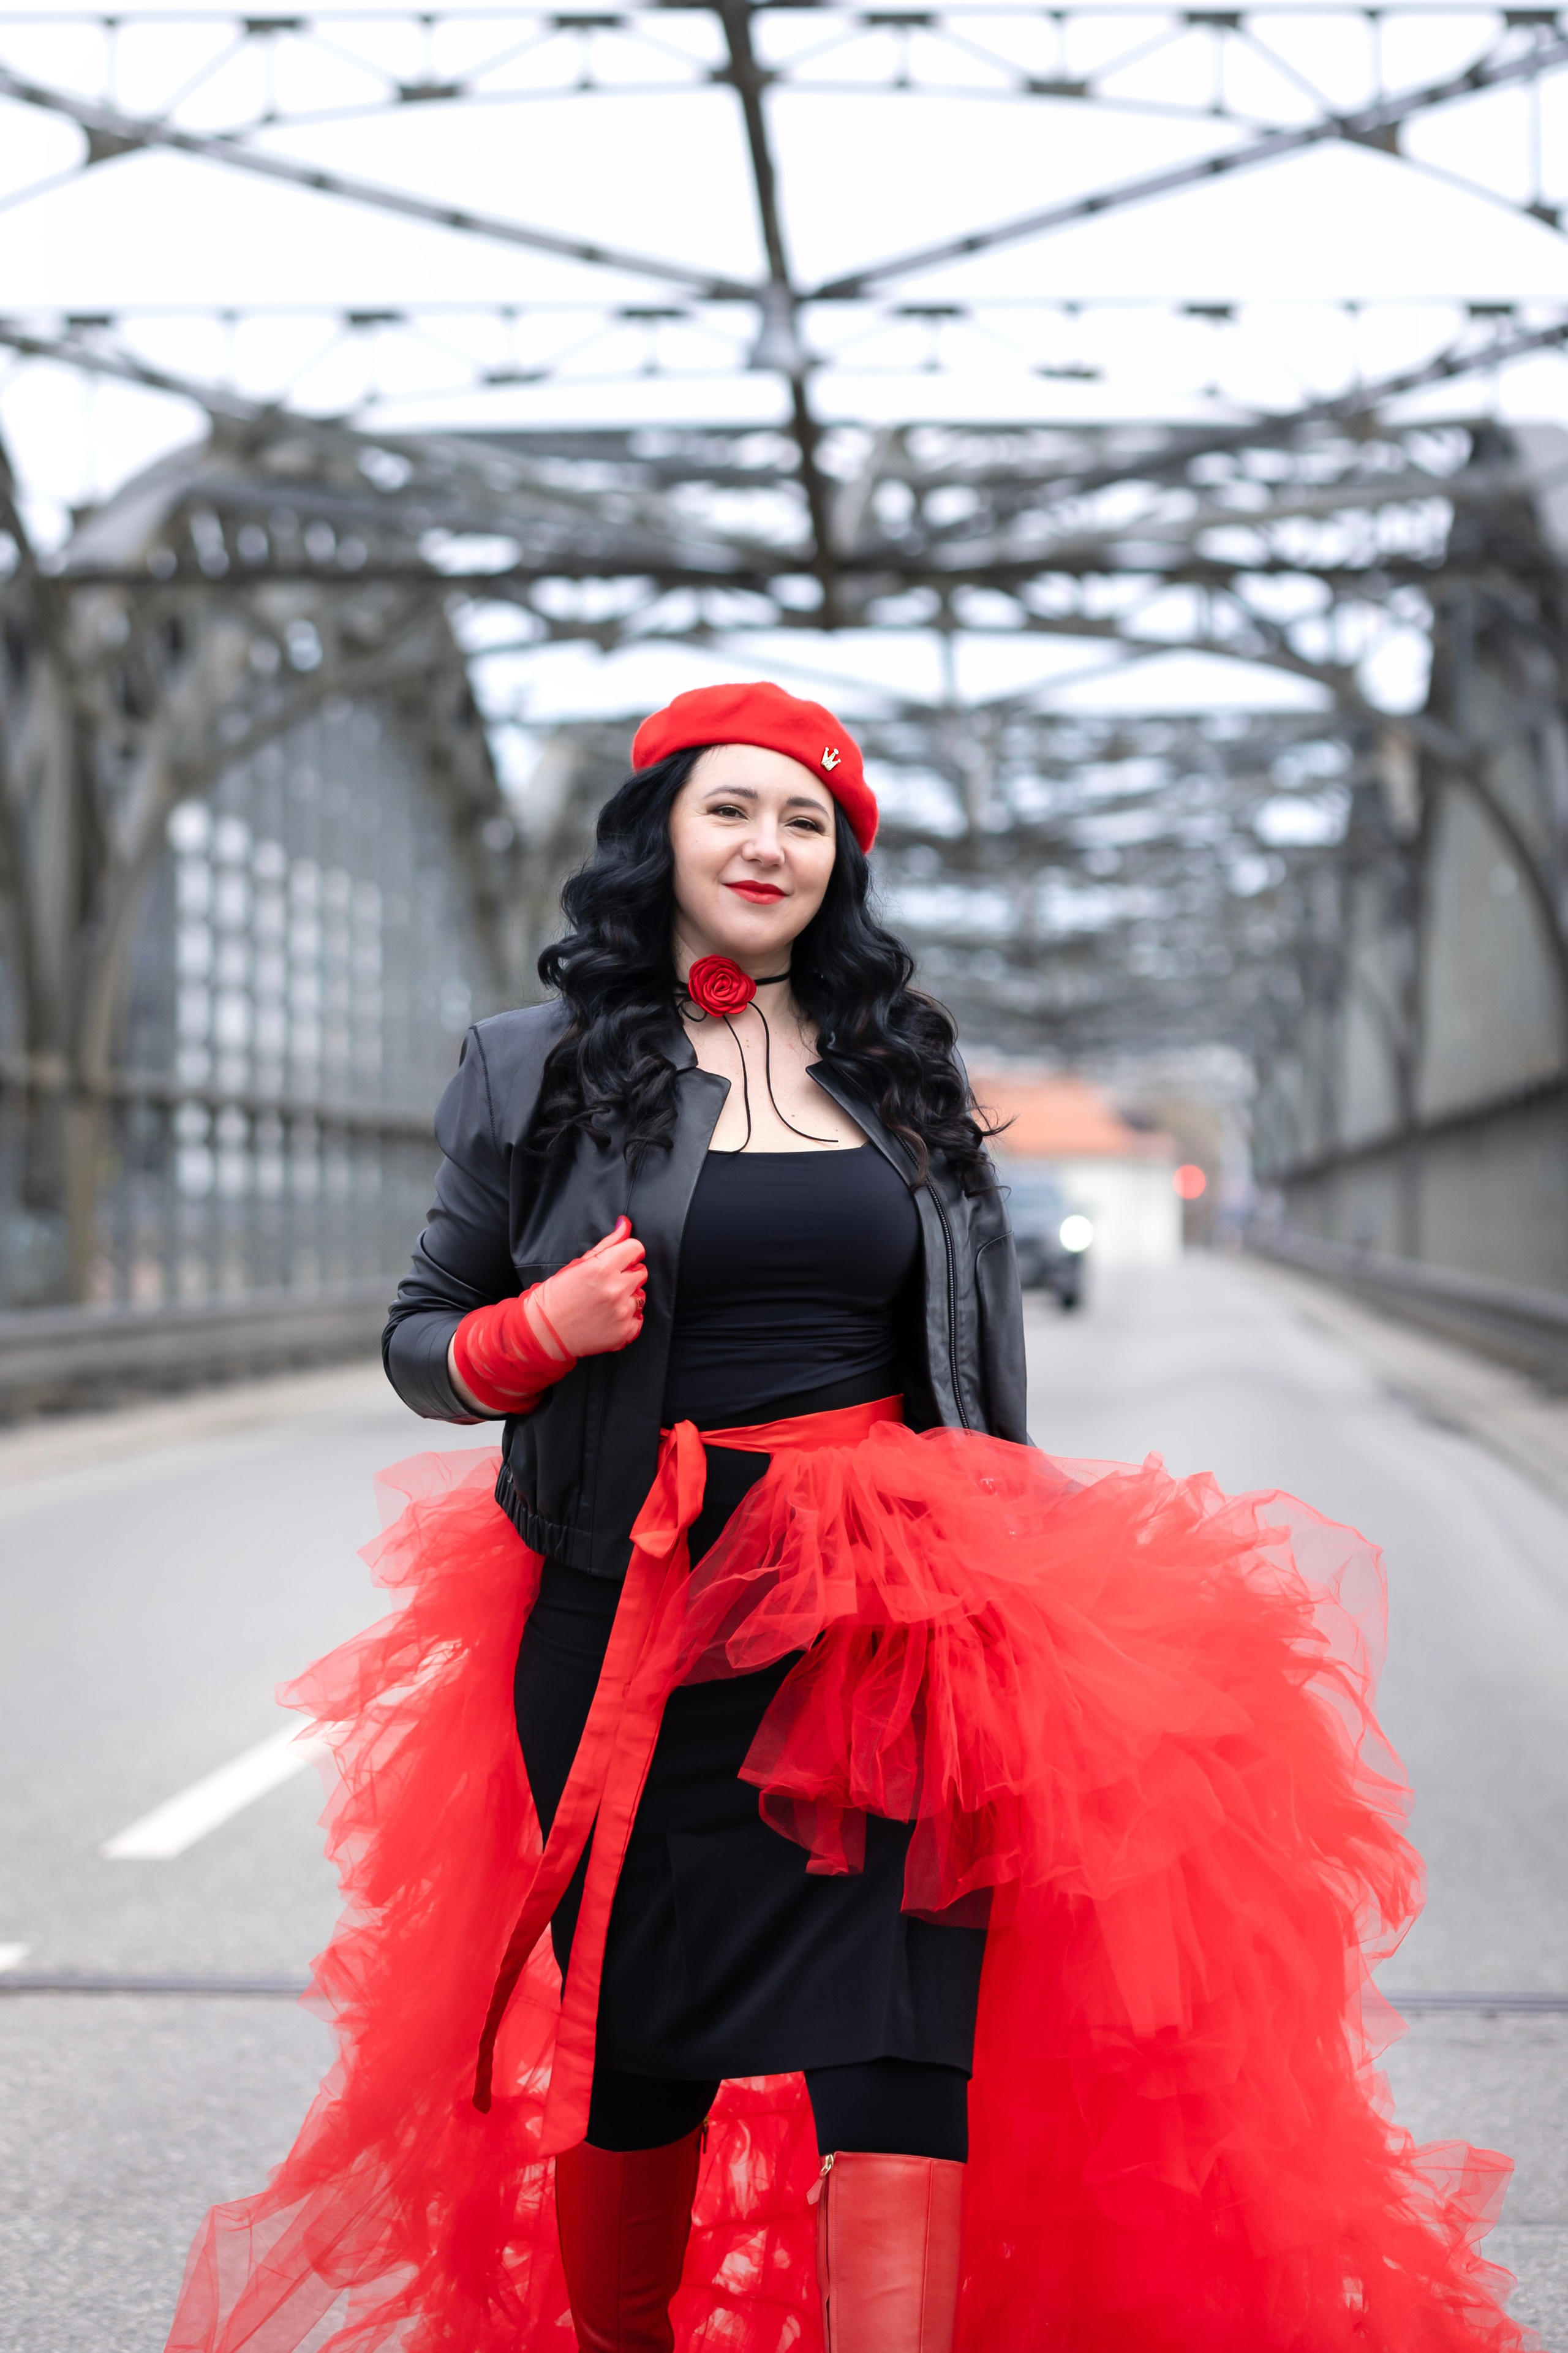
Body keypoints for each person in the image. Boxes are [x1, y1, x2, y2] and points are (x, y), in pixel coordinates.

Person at [165, 682, 1531, 2353]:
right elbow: (419, 1338)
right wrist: (538, 1333)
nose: (770, 844)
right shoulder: (534, 1071)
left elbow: (975, 1355)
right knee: (639, 2044)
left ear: (845, 858)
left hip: (897, 1613)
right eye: (733, 807)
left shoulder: (902, 1062)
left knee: (902, 2045)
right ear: (658, 827)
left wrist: (1030, 1600)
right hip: (638, 1614)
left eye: (808, 820)